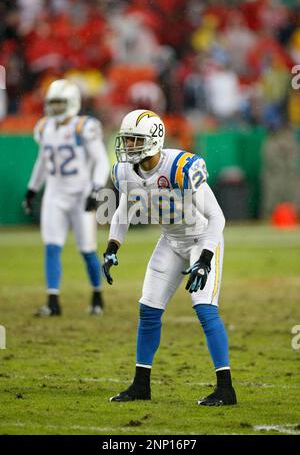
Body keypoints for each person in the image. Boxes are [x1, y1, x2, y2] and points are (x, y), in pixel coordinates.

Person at [102, 109, 237, 406]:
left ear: (153, 140)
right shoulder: (125, 171)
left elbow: (217, 217)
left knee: (204, 308)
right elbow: (123, 210)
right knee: (148, 309)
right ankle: (141, 385)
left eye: (135, 141)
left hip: (202, 239)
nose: (128, 147)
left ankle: (226, 389)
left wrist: (204, 258)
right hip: (170, 240)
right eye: (126, 140)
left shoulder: (179, 167)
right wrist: (113, 246)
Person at [23, 79, 109, 316]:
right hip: (54, 193)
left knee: (87, 249)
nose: (56, 108)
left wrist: (95, 189)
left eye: (60, 103)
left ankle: (97, 293)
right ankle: (53, 300)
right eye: (53, 103)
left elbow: (101, 160)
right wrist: (32, 189)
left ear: (72, 102)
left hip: (81, 194)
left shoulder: (84, 127)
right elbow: (42, 161)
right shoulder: (44, 127)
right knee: (51, 246)